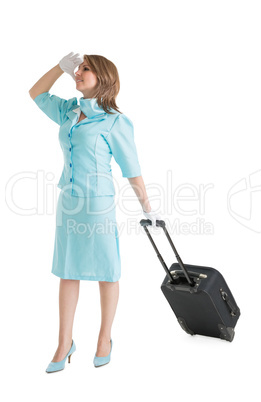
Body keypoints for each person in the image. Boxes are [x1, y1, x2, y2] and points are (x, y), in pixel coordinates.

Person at [29, 52, 161, 373]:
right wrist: (59, 69)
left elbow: (132, 169)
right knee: (68, 270)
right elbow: (36, 93)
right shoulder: (68, 112)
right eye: (77, 68)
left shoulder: (115, 121)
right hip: (69, 204)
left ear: (103, 77)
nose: (78, 72)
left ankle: (104, 339)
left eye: (85, 69)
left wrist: (148, 207)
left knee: (106, 271)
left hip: (98, 205)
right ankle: (65, 342)